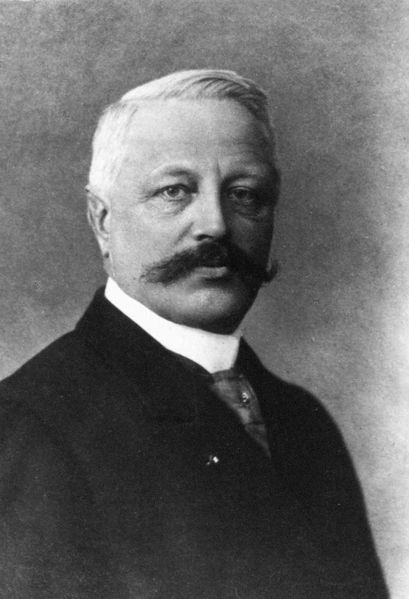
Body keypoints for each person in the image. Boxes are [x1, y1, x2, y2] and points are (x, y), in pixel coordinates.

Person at [0, 69, 388, 598]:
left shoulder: (303, 423)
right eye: (175, 191)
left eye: (244, 194)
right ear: (102, 221)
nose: (217, 224)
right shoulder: (32, 425)